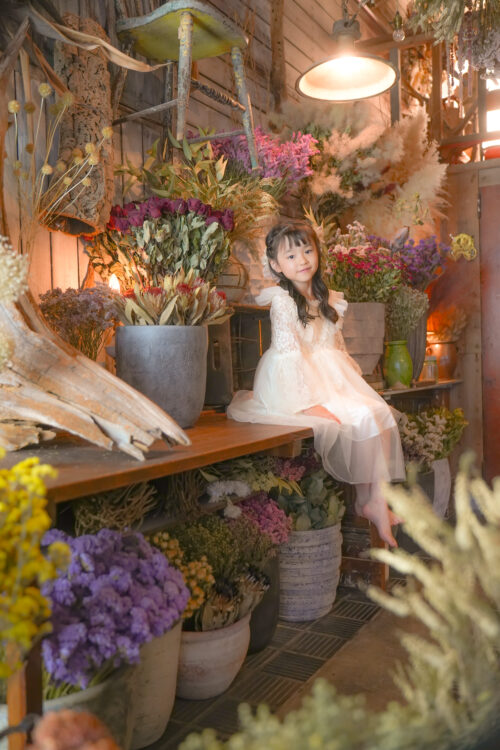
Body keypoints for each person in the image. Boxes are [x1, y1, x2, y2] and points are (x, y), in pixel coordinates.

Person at [227, 220, 406, 546]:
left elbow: (337, 349)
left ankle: (372, 499)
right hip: (291, 385)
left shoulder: (328, 298)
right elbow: (289, 357)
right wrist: (307, 404)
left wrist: (351, 386)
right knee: (360, 416)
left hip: (327, 378)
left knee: (377, 411)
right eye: (291, 256)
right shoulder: (283, 301)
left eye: (307, 251)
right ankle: (371, 502)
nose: (302, 260)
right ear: (276, 265)